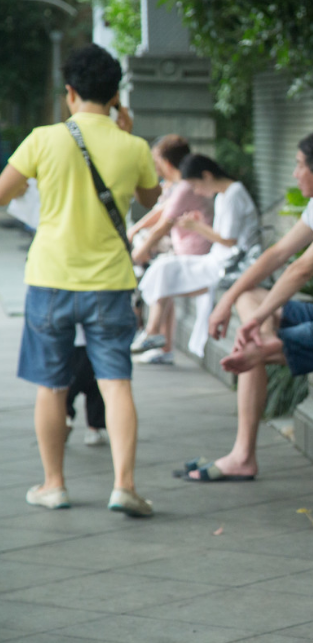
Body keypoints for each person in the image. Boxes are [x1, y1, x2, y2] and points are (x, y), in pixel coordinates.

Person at [174, 129, 313, 482]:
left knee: (252, 349)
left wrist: (257, 321)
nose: (295, 173)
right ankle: (259, 348)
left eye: (299, 165)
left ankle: (243, 454)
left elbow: (302, 267)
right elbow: (277, 254)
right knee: (250, 298)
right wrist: (229, 301)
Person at [0, 43, 162, 516]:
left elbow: (3, 193)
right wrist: (126, 133)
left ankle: (53, 485)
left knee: (50, 385)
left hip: (50, 278)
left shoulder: (43, 139)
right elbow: (151, 201)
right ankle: (124, 486)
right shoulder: (132, 146)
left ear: (70, 92)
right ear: (115, 97)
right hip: (110, 282)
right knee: (116, 382)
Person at [137, 154, 259, 362]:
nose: (196, 191)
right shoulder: (224, 195)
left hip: (231, 263)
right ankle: (153, 331)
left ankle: (153, 332)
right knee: (164, 267)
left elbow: (229, 240)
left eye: (195, 185)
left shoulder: (233, 194)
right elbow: (225, 236)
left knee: (166, 268)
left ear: (206, 175)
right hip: (220, 257)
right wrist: (201, 224)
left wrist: (197, 227)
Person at [130, 134, 214, 364]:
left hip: (195, 255)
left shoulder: (186, 186)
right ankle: (160, 343)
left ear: (166, 162)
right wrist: (137, 232)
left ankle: (152, 334)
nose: (154, 166)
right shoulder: (181, 185)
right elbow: (162, 213)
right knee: (163, 276)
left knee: (162, 273)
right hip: (185, 251)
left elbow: (164, 222)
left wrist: (140, 249)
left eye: (156, 160)